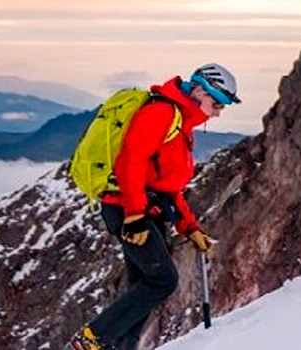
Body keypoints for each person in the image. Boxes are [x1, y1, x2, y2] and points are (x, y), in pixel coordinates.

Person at [69, 63, 241, 350]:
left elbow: (168, 186)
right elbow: (130, 162)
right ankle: (91, 339)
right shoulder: (162, 112)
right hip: (129, 209)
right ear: (200, 91)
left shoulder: (181, 120)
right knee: (162, 280)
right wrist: (135, 215)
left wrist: (190, 227)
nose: (219, 111)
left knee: (142, 289)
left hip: (147, 210)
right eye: (217, 102)